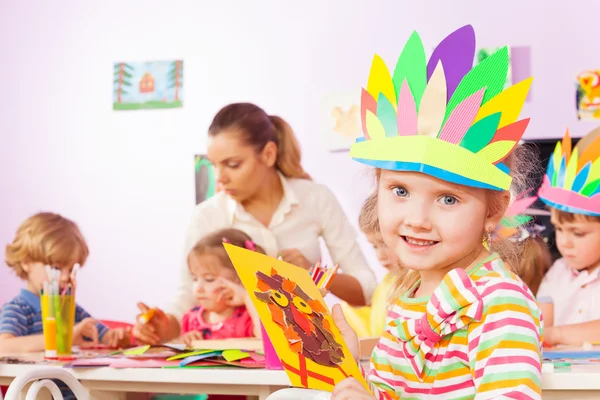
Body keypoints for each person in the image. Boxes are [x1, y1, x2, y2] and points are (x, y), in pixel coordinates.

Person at [330, 25, 543, 399]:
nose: (417, 218)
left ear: (494, 210)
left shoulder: (498, 303)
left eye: (447, 199)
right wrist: (353, 371)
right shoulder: (409, 288)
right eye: (400, 191)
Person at [133, 102, 376, 344]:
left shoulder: (315, 198)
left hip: (307, 348)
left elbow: (366, 291)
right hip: (232, 359)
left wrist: (314, 274)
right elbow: (187, 294)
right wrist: (160, 329)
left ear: (268, 154)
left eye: (233, 164)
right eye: (214, 165)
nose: (220, 177)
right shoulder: (207, 215)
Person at [0, 212, 130, 351]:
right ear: (27, 262)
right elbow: (3, 346)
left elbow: (107, 337)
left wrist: (118, 337)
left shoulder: (71, 310)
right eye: (56, 268)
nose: (65, 277)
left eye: (71, 270)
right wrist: (64, 338)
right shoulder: (18, 310)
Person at [537, 128, 600, 346]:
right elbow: (541, 326)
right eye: (559, 229)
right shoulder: (558, 273)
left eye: (578, 233)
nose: (564, 242)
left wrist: (556, 335)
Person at [177, 228, 262, 347]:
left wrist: (247, 297)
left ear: (241, 281)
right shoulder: (191, 319)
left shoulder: (249, 318)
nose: (198, 288)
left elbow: (267, 343)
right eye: (195, 279)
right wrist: (186, 340)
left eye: (209, 279)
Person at [340, 192, 400, 338]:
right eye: (374, 246)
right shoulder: (385, 285)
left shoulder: (416, 285)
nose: (380, 255)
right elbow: (374, 333)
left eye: (385, 244)